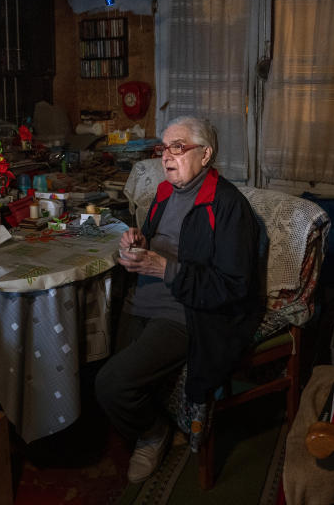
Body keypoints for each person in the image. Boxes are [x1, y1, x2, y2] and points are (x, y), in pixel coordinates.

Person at [95, 116, 263, 483]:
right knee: (95, 366)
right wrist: (138, 244)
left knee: (111, 384)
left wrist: (165, 269)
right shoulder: (166, 192)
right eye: (163, 148)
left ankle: (154, 432)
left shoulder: (228, 206)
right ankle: (149, 423)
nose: (166, 157)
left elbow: (233, 287)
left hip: (188, 314)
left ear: (206, 155)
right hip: (142, 300)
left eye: (178, 147)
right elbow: (159, 241)